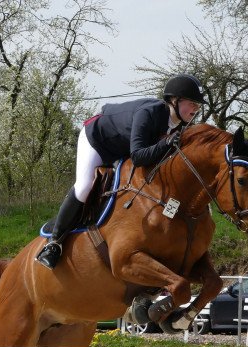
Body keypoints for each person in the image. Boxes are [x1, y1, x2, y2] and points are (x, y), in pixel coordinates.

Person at [35, 74, 206, 270]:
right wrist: (166, 143)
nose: (196, 109)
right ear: (174, 101)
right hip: (98, 140)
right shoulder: (150, 113)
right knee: (85, 186)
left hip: (122, 148)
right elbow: (140, 156)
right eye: (192, 103)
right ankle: (54, 243)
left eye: (198, 105)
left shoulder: (182, 125)